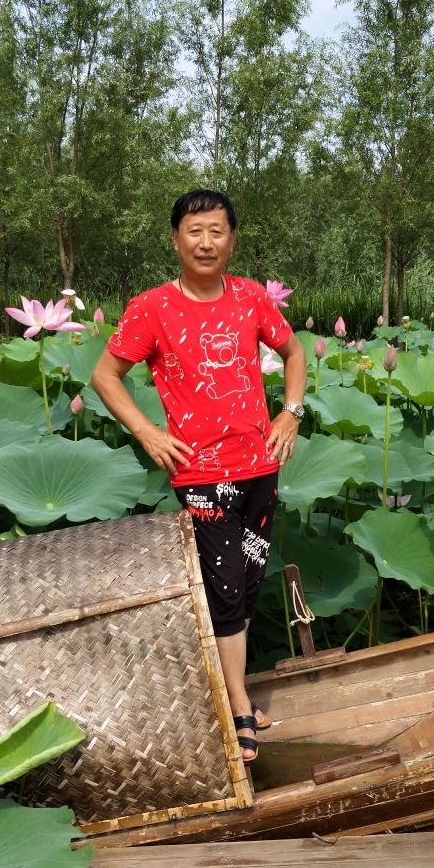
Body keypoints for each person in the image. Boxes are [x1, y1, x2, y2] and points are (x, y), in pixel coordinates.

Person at [91, 189, 306, 764]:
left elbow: (294, 353)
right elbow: (106, 375)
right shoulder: (152, 307)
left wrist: (291, 410)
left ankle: (229, 687)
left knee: (250, 577)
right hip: (203, 475)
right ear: (176, 239)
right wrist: (148, 433)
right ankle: (237, 703)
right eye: (194, 231)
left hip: (261, 469)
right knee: (225, 588)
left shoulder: (252, 299)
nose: (206, 242)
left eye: (217, 231)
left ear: (232, 239)